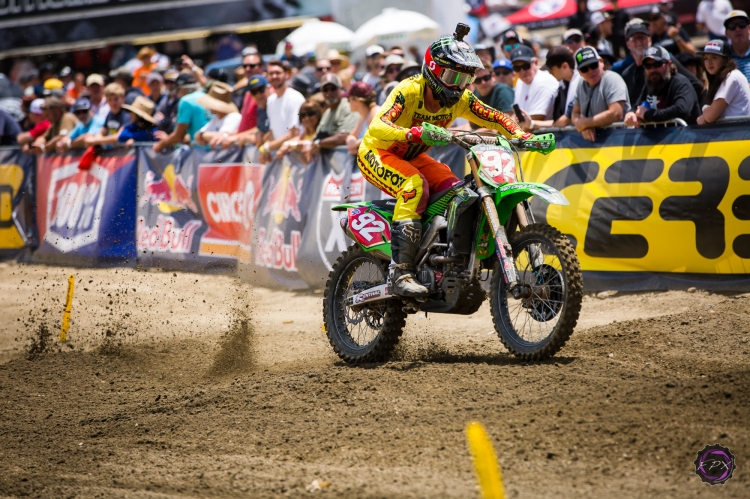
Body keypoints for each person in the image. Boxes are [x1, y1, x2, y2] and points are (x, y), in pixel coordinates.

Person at [358, 28, 549, 298]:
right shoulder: (409, 90)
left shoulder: (462, 99)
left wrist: (520, 135)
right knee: (414, 185)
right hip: (377, 152)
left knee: (457, 191)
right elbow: (377, 126)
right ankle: (400, 271)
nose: (459, 85)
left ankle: (440, 260)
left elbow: (494, 117)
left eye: (465, 78)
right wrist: (410, 132)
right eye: (452, 76)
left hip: (412, 155)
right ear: (433, 71)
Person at [621, 21, 704, 108]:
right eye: (634, 38)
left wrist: (679, 108)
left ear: (650, 39)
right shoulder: (627, 74)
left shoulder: (665, 62)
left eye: (642, 37)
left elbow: (696, 86)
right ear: (627, 44)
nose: (638, 41)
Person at [624, 46, 701, 127]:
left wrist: (648, 115)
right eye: (648, 66)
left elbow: (681, 110)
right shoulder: (650, 84)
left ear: (669, 64)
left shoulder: (680, 83)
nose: (652, 70)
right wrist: (631, 113)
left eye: (657, 64)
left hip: (686, 137)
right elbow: (638, 107)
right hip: (658, 138)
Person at [572, 47, 630, 142]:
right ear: (579, 72)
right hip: (598, 145)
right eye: (584, 69)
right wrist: (584, 127)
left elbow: (616, 114)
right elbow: (575, 113)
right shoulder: (581, 83)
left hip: (621, 143)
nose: (590, 71)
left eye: (594, 65)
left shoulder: (612, 79)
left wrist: (586, 123)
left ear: (601, 62)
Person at [519, 46, 577, 130]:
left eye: (552, 69)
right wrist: (531, 123)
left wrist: (532, 124)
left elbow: (565, 121)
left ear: (564, 66)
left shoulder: (579, 82)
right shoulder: (562, 85)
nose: (549, 72)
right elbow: (557, 121)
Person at [259, 59, 306, 159]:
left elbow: (293, 133)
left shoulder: (294, 98)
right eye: (271, 73)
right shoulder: (271, 100)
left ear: (286, 75)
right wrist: (265, 143)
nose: (274, 76)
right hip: (280, 158)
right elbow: (273, 132)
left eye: (278, 73)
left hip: (296, 158)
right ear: (267, 76)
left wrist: (266, 147)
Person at [153, 73, 210, 152]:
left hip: (202, 151)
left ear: (181, 89)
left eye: (177, 90)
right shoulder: (206, 96)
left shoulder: (186, 100)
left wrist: (160, 145)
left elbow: (178, 136)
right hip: (216, 149)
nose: (177, 93)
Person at [697, 40, 750, 124]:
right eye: (706, 58)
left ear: (726, 59)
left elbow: (710, 117)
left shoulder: (731, 77)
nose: (709, 62)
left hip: (738, 133)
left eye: (714, 57)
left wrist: (705, 108)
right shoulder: (724, 77)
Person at [511, 45, 559, 123]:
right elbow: (518, 114)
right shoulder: (520, 81)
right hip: (531, 132)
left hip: (550, 133)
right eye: (517, 68)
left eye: (526, 66)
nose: (522, 71)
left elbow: (538, 117)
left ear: (535, 62)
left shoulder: (544, 81)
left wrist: (512, 122)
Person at [313, 73, 358, 150]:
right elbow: (318, 135)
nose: (329, 92)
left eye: (333, 88)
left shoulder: (347, 107)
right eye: (325, 89)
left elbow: (344, 137)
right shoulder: (327, 112)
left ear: (340, 88)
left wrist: (318, 144)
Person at [224, 75, 271, 148]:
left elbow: (274, 133)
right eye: (254, 92)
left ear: (269, 88)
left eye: (261, 90)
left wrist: (248, 138)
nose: (258, 95)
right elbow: (260, 129)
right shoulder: (260, 108)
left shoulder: (274, 105)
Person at [195, 82, 241, 149]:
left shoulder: (234, 117)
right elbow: (197, 135)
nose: (208, 106)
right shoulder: (216, 118)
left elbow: (220, 137)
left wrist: (202, 135)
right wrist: (202, 135)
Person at [85, 83, 131, 148]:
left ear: (123, 98)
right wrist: (92, 138)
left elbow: (118, 136)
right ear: (106, 101)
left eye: (116, 99)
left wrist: (95, 140)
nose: (113, 103)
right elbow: (102, 132)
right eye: (110, 100)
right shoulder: (110, 114)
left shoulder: (127, 114)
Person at [345, 82, 378, 155]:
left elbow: (377, 138)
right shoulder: (363, 116)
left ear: (356, 100)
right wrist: (352, 143)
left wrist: (355, 144)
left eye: (348, 99)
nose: (348, 102)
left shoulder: (375, 112)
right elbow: (351, 135)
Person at [237, 51, 265, 133]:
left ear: (262, 67)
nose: (247, 69)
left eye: (252, 66)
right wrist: (226, 135)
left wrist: (236, 137)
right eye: (245, 66)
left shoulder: (264, 91)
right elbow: (244, 127)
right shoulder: (248, 92)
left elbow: (262, 126)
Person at [724, 10, 750, 81]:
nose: (738, 29)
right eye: (732, 26)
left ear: (749, 29)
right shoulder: (724, 57)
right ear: (727, 33)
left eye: (742, 25)